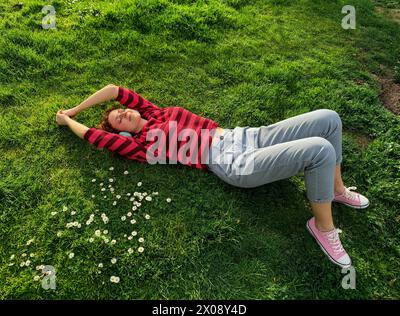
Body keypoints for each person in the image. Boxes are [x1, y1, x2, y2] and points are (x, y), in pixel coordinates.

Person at [56, 84, 370, 268]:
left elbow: (113, 89)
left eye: (121, 110)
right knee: (319, 150)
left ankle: (336, 188)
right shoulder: (140, 146)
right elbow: (96, 137)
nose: (124, 113)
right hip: (231, 161)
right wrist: (70, 121)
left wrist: (74, 107)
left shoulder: (155, 112)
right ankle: (322, 226)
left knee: (329, 119)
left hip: (245, 136)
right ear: (122, 134)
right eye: (119, 120)